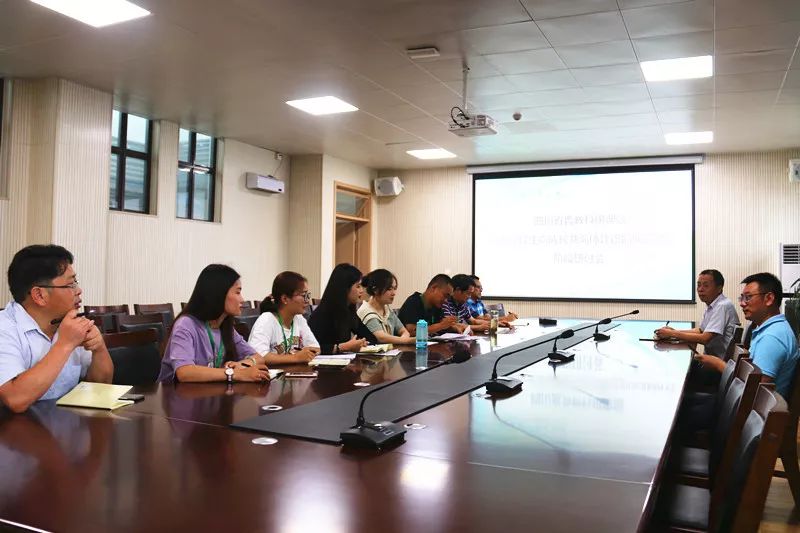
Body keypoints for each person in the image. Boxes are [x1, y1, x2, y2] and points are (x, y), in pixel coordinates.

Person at [0, 245, 114, 413]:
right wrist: (65, 344)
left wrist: (99, 348)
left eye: (76, 283)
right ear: (39, 295)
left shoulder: (71, 323)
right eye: (70, 284)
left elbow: (101, 388)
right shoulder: (5, 328)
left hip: (64, 423)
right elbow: (15, 399)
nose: (79, 291)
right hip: (15, 427)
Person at [158, 264, 270, 383]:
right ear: (219, 293)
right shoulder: (186, 324)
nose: (242, 299)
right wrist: (234, 373)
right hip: (175, 393)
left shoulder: (225, 327)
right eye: (237, 292)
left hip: (207, 392)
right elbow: (185, 372)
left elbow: (258, 358)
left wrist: (241, 365)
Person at [694, 272, 798, 398]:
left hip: (753, 409)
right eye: (742, 298)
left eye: (748, 297)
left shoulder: (772, 337)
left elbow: (754, 391)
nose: (742, 303)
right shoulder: (771, 329)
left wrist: (718, 364)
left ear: (769, 299)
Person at [655, 269, 740, 356]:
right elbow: (701, 330)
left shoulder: (722, 306)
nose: (700, 289)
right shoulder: (713, 304)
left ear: (719, 288)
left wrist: (672, 334)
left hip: (718, 362)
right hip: (711, 357)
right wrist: (673, 331)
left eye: (706, 286)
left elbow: (704, 338)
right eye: (699, 285)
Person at [249, 271, 320, 364]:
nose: (307, 301)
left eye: (308, 295)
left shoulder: (299, 319)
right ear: (285, 299)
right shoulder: (267, 319)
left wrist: (301, 354)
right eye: (303, 295)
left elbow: (316, 348)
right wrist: (295, 357)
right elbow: (258, 356)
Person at [308, 263, 375, 354]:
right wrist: (342, 347)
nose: (361, 290)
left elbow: (370, 338)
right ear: (345, 288)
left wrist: (361, 343)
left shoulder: (349, 311)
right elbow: (311, 348)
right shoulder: (322, 314)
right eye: (358, 286)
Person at [357, 269, 414, 344]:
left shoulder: (387, 309)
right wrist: (407, 340)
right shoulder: (366, 311)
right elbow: (381, 338)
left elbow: (404, 331)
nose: (393, 293)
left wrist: (404, 339)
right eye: (389, 289)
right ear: (375, 290)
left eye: (394, 288)